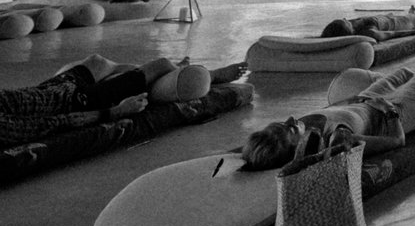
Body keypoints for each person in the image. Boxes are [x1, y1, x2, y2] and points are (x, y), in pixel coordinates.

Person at [238, 62, 415, 171]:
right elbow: (396, 142)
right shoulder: (339, 138)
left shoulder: (303, 128)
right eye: (291, 129)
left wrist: (361, 97)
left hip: (366, 100)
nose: (292, 120)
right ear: (298, 148)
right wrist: (389, 110)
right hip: (395, 113)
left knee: (403, 72)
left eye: (284, 122)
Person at [1, 55, 244, 149]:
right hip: (79, 101)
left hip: (55, 88)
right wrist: (117, 111)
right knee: (162, 65)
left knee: (99, 62)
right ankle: (212, 75)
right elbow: (57, 124)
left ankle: (139, 73)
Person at [321, 4, 415, 42]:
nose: (346, 19)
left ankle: (411, 13)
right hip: (402, 24)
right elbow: (391, 34)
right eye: (345, 22)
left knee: (408, 16)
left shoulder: (352, 25)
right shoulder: (369, 32)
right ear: (348, 31)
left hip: (389, 18)